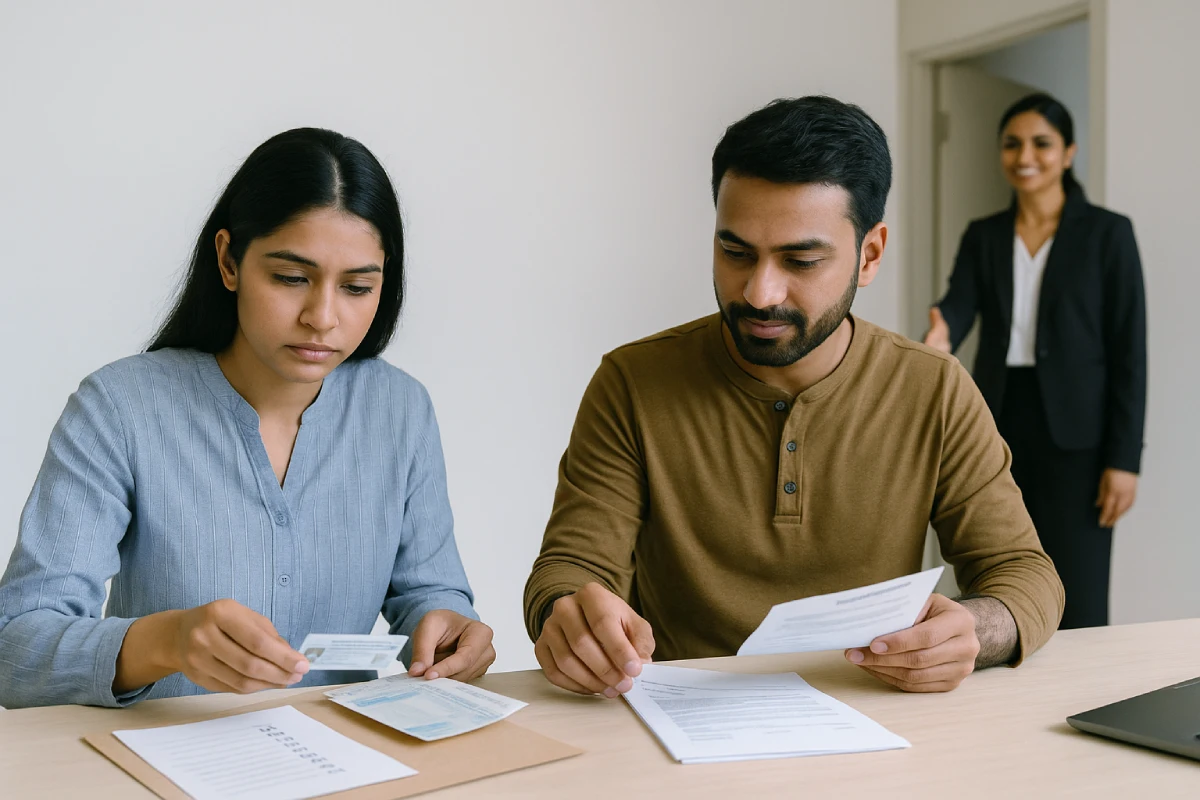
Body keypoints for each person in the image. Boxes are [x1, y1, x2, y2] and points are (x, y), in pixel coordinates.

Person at [524, 96, 1064, 698]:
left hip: (870, 710)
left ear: (870, 255)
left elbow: (1024, 574)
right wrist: (568, 618)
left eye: (801, 260)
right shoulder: (631, 382)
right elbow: (570, 569)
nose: (760, 293)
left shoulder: (933, 388)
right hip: (675, 714)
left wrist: (976, 629)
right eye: (735, 253)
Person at [0, 128, 495, 709]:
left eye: (358, 287)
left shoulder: (401, 410)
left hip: (341, 754)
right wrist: (168, 641)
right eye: (291, 278)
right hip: (161, 754)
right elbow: (16, 649)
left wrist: (451, 628)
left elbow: (430, 594)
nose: (323, 317)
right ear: (228, 261)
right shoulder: (120, 407)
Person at [924, 94, 1146, 629]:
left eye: (1041, 143)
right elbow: (958, 304)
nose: (1025, 156)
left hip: (1079, 437)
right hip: (998, 420)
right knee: (995, 573)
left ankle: (1085, 683)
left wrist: (1125, 460)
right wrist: (942, 330)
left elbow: (1129, 351)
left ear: (1068, 153)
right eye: (1012, 144)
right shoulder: (984, 235)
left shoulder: (1108, 233)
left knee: (1079, 589)